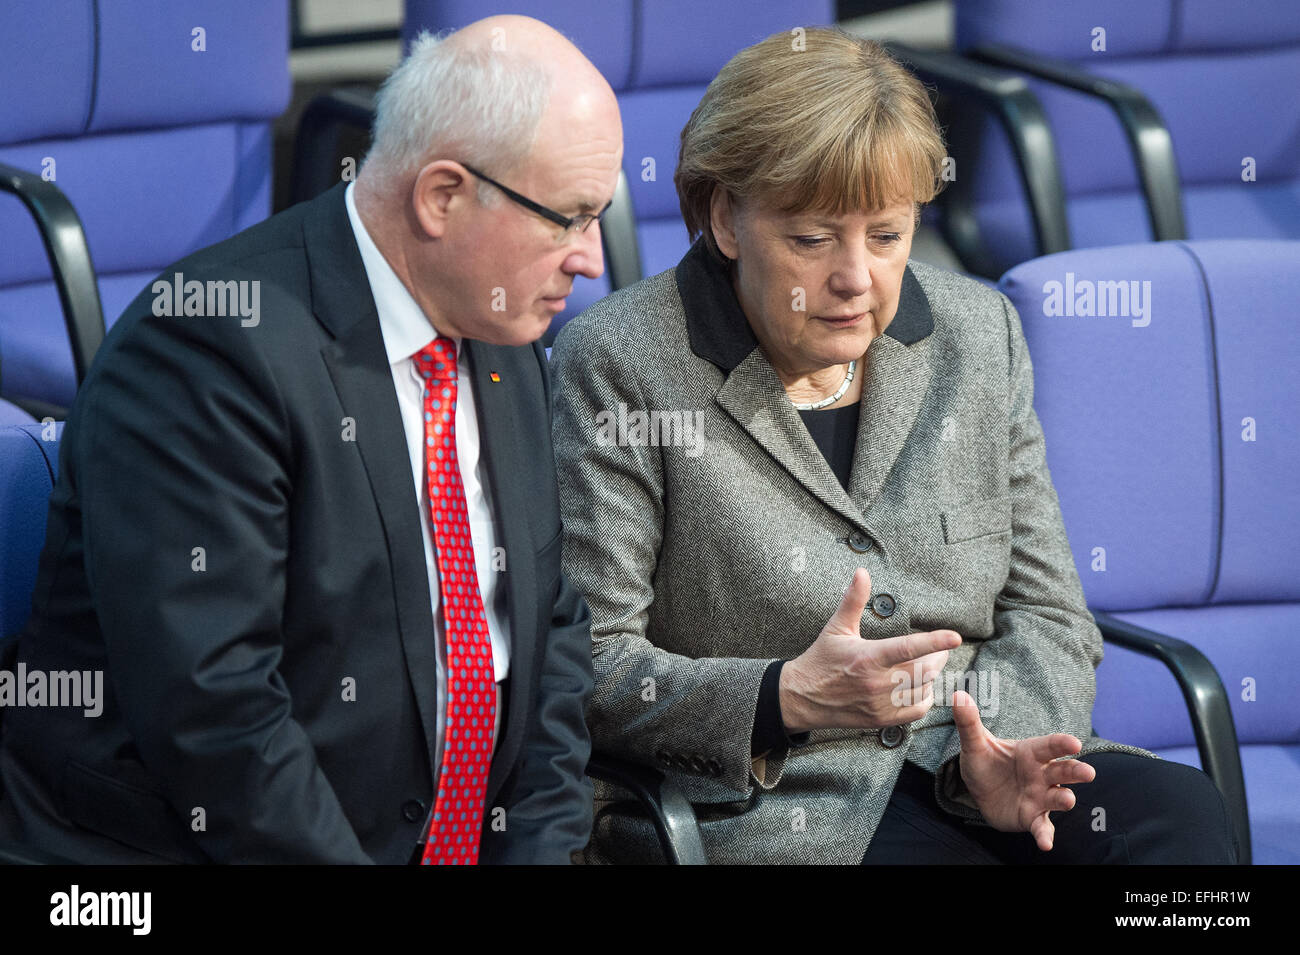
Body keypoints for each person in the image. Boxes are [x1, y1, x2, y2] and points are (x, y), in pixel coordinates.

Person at [550, 27, 1238, 864]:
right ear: (726, 218)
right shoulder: (621, 363)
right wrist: (782, 695)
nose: (856, 277)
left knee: (1180, 820)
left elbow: (1049, 607)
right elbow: (592, 664)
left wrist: (993, 751)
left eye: (887, 236)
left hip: (972, 767)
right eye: (812, 238)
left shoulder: (978, 333)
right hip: (778, 803)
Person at [0, 15, 621, 864]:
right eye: (570, 219)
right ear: (442, 196)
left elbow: (550, 639)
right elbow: (220, 724)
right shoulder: (205, 353)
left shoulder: (503, 340)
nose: (592, 259)